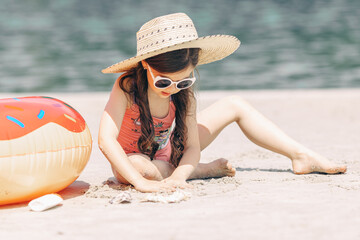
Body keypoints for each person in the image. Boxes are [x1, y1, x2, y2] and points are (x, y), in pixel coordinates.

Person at [98, 13, 347, 193]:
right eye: (164, 83)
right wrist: (141, 183)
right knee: (140, 169)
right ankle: (201, 170)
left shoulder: (183, 93)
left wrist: (181, 175)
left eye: (183, 82)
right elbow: (106, 140)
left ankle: (301, 156)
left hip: (170, 150)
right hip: (134, 159)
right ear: (145, 64)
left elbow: (192, 146)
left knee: (235, 104)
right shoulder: (128, 87)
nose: (173, 89)